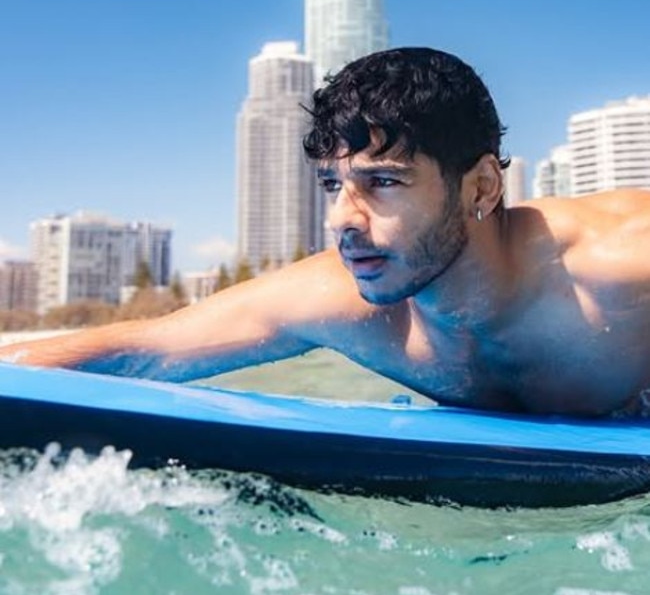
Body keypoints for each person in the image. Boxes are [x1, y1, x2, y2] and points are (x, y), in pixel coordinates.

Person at [2, 46, 650, 418]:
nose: (343, 218)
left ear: (481, 187)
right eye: (333, 186)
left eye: (384, 183)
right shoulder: (345, 300)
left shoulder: (618, 266)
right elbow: (143, 350)